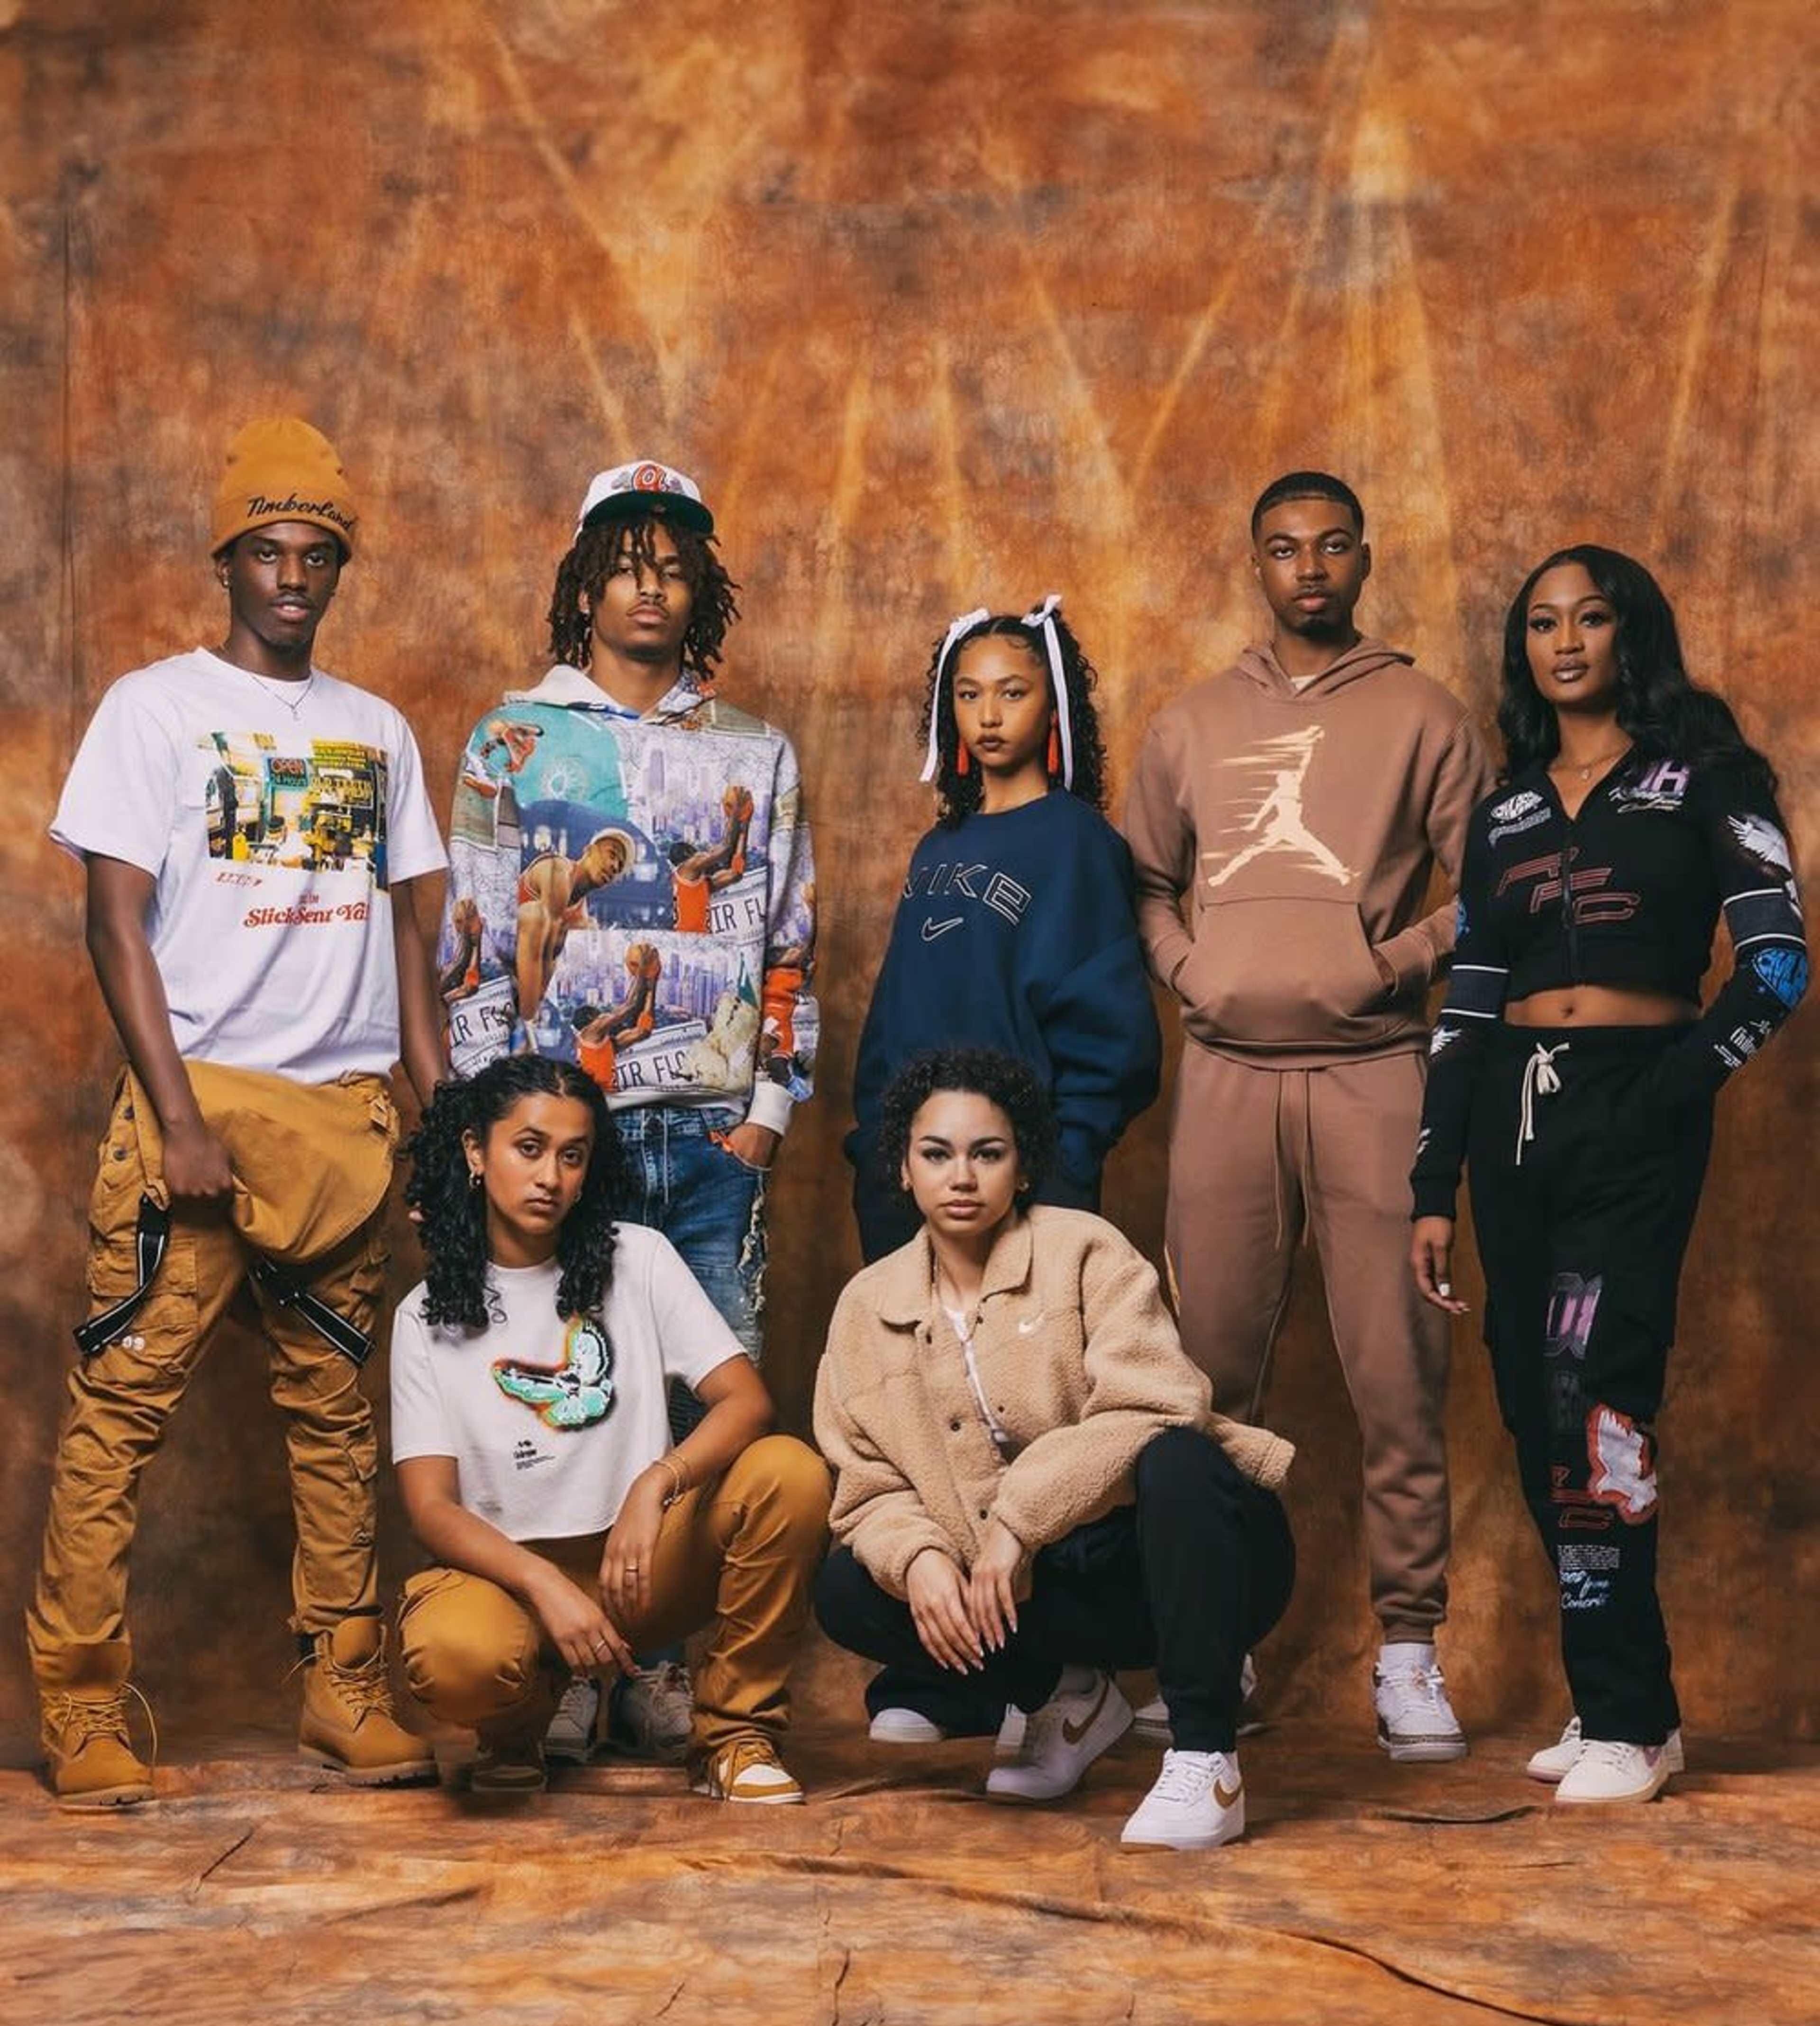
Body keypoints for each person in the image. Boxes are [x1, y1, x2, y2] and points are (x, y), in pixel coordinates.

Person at [28, 416, 448, 1808]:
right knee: (121, 1411)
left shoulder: (375, 731)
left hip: (340, 1122)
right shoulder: (153, 709)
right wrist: (177, 1119)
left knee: (336, 1425)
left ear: (339, 567)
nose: (291, 575)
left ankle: (342, 1686)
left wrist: (429, 1118)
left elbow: (411, 942)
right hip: (197, 1113)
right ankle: (82, 1703)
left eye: (315, 552)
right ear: (227, 557)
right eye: (266, 549)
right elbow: (115, 924)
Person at [1410, 546, 1806, 1804]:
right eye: (1541, 622)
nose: (1565, 640)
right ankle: (1621, 1702)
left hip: (1639, 1108)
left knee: (1601, 1400)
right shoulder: (1507, 809)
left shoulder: (1709, 777)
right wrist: (1433, 1185)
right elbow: (1465, 1007)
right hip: (1509, 1129)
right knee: (1534, 1405)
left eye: (1590, 617)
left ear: (1632, 632)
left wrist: (1667, 1094)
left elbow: (1779, 965)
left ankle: (1628, 1721)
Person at [439, 459, 817, 1768]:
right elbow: (478, 942)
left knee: (705, 1394)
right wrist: (480, 1126)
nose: (650, 588)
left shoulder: (753, 753)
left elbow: (790, 932)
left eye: (675, 566)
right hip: (564, 1129)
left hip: (711, 1124)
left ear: (700, 587)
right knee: (566, 1391)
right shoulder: (514, 739)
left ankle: (661, 1670)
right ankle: (562, 1664)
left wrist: (771, 1098)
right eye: (627, 562)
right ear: (585, 580)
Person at [1125, 470, 1494, 1762]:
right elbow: (1147, 888)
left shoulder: (1424, 716)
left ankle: (1407, 1649)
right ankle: (1209, 1646)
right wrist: (1193, 976)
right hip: (1226, 1078)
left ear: (1365, 558)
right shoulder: (1190, 723)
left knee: (1399, 1369)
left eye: (1333, 546)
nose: (1311, 569)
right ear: (1257, 565)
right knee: (1210, 1374)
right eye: (1284, 549)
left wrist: (1387, 964)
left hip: (1376, 1074)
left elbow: (1496, 889)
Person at [813, 1048, 1297, 1851]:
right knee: (847, 1585)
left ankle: (1207, 1759)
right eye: (936, 1155)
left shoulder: (1085, 1251)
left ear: (1024, 1168)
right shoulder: (868, 1307)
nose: (961, 1177)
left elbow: (1160, 1399)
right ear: (903, 1170)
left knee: (1180, 1457)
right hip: (1046, 1602)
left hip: (1191, 1565)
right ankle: (1062, 1695)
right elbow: (867, 1483)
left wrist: (1017, 1522)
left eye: (987, 1154)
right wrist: (921, 1558)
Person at [391, 1055, 830, 1801]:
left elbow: (746, 1402)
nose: (551, 1178)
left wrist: (656, 1485)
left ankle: (732, 1737)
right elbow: (431, 1508)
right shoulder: (424, 1314)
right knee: (454, 1652)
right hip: (513, 1584)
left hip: (639, 1570)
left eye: (573, 1155)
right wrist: (540, 1583)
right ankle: (515, 1728)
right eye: (528, 1149)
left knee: (790, 1474)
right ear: (476, 1151)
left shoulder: (638, 1258)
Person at [846, 596, 1159, 1262]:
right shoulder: (937, 847)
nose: (988, 716)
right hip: (908, 1172)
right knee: (911, 1362)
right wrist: (877, 1146)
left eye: (1012, 693)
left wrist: (1062, 1164)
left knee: (1020, 1366)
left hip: (1024, 1178)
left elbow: (1115, 1036)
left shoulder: (1080, 844)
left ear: (1053, 707)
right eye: (969, 695)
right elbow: (896, 1012)